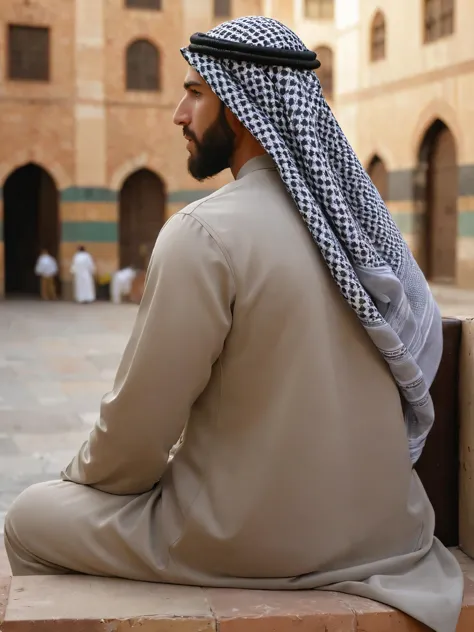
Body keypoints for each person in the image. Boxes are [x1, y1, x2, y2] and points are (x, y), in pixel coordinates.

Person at [4, 17, 462, 632]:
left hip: (250, 542)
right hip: (392, 529)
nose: (178, 114)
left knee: (30, 516)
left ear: (243, 107)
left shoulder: (203, 233)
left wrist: (80, 480)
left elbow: (134, 444)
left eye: (195, 92)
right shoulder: (359, 232)